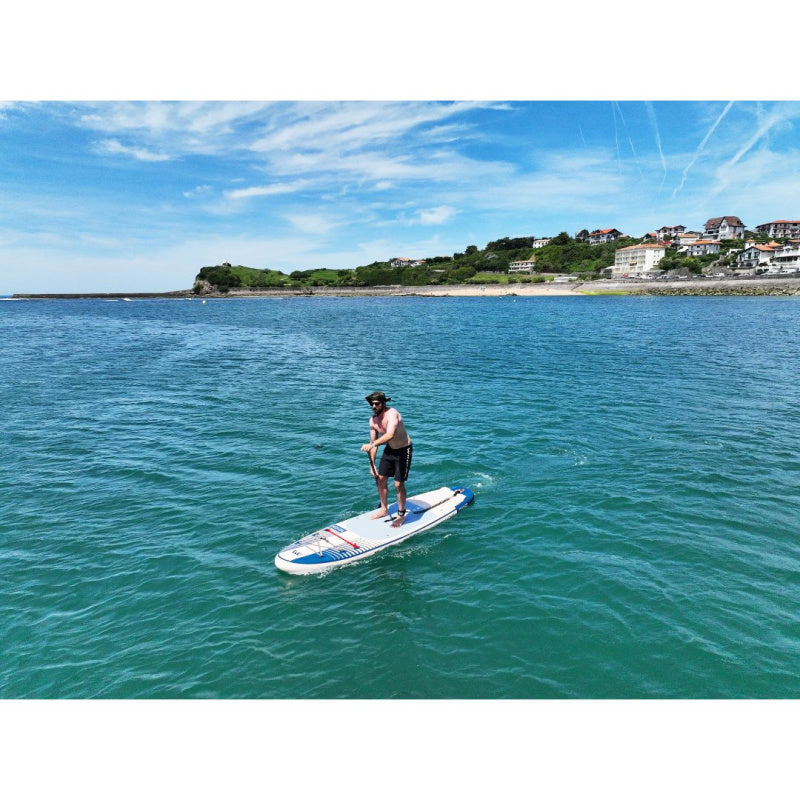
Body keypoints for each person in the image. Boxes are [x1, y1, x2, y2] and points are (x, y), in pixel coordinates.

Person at [360, 391, 413, 527]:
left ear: (383, 403)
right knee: (381, 478)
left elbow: (390, 435)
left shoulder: (392, 414)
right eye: (371, 404)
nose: (373, 406)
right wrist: (372, 465)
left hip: (403, 450)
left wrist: (372, 444)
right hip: (390, 450)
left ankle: (401, 514)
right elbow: (374, 443)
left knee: (398, 484)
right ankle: (384, 509)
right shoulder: (373, 421)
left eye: (376, 404)